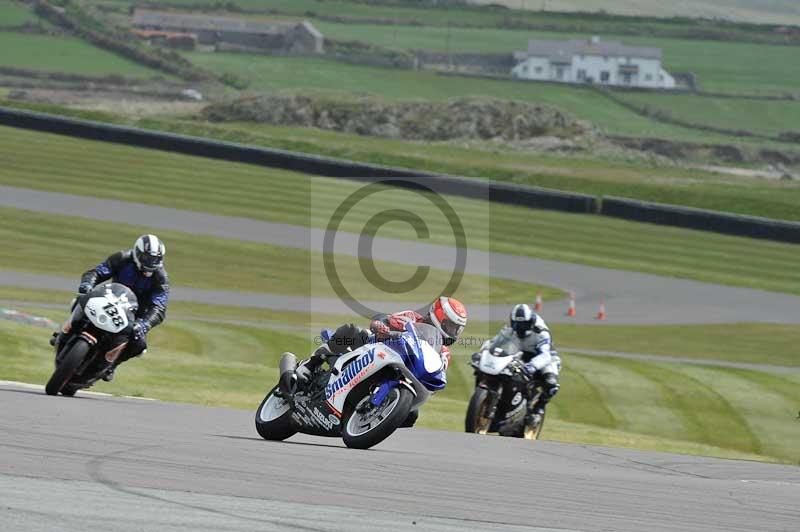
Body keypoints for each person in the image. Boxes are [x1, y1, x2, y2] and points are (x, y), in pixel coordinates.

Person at [294, 297, 468, 426]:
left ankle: (369, 418)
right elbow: (383, 319)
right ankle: (309, 365)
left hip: (402, 373)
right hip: (375, 348)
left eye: (456, 329)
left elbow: (437, 371)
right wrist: (381, 326)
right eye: (450, 326)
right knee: (352, 331)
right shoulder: (411, 318)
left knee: (411, 416)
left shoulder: (443, 352)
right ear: (438, 316)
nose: (453, 332)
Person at [52, 234, 169, 381]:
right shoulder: (121, 258)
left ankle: (112, 364)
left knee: (139, 344)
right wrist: (87, 285)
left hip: (133, 314)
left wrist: (144, 324)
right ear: (137, 253)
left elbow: (159, 307)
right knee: (80, 300)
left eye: (156, 259)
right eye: (148, 258)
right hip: (109, 298)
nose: (152, 263)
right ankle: (65, 333)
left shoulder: (161, 278)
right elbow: (97, 272)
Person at [497, 303, 561, 428]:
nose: (519, 328)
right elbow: (496, 342)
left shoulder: (541, 332)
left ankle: (539, 408)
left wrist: (532, 366)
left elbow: (545, 355)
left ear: (530, 322)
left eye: (523, 324)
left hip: (544, 358)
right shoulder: (511, 330)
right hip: (522, 354)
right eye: (516, 324)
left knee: (551, 383)